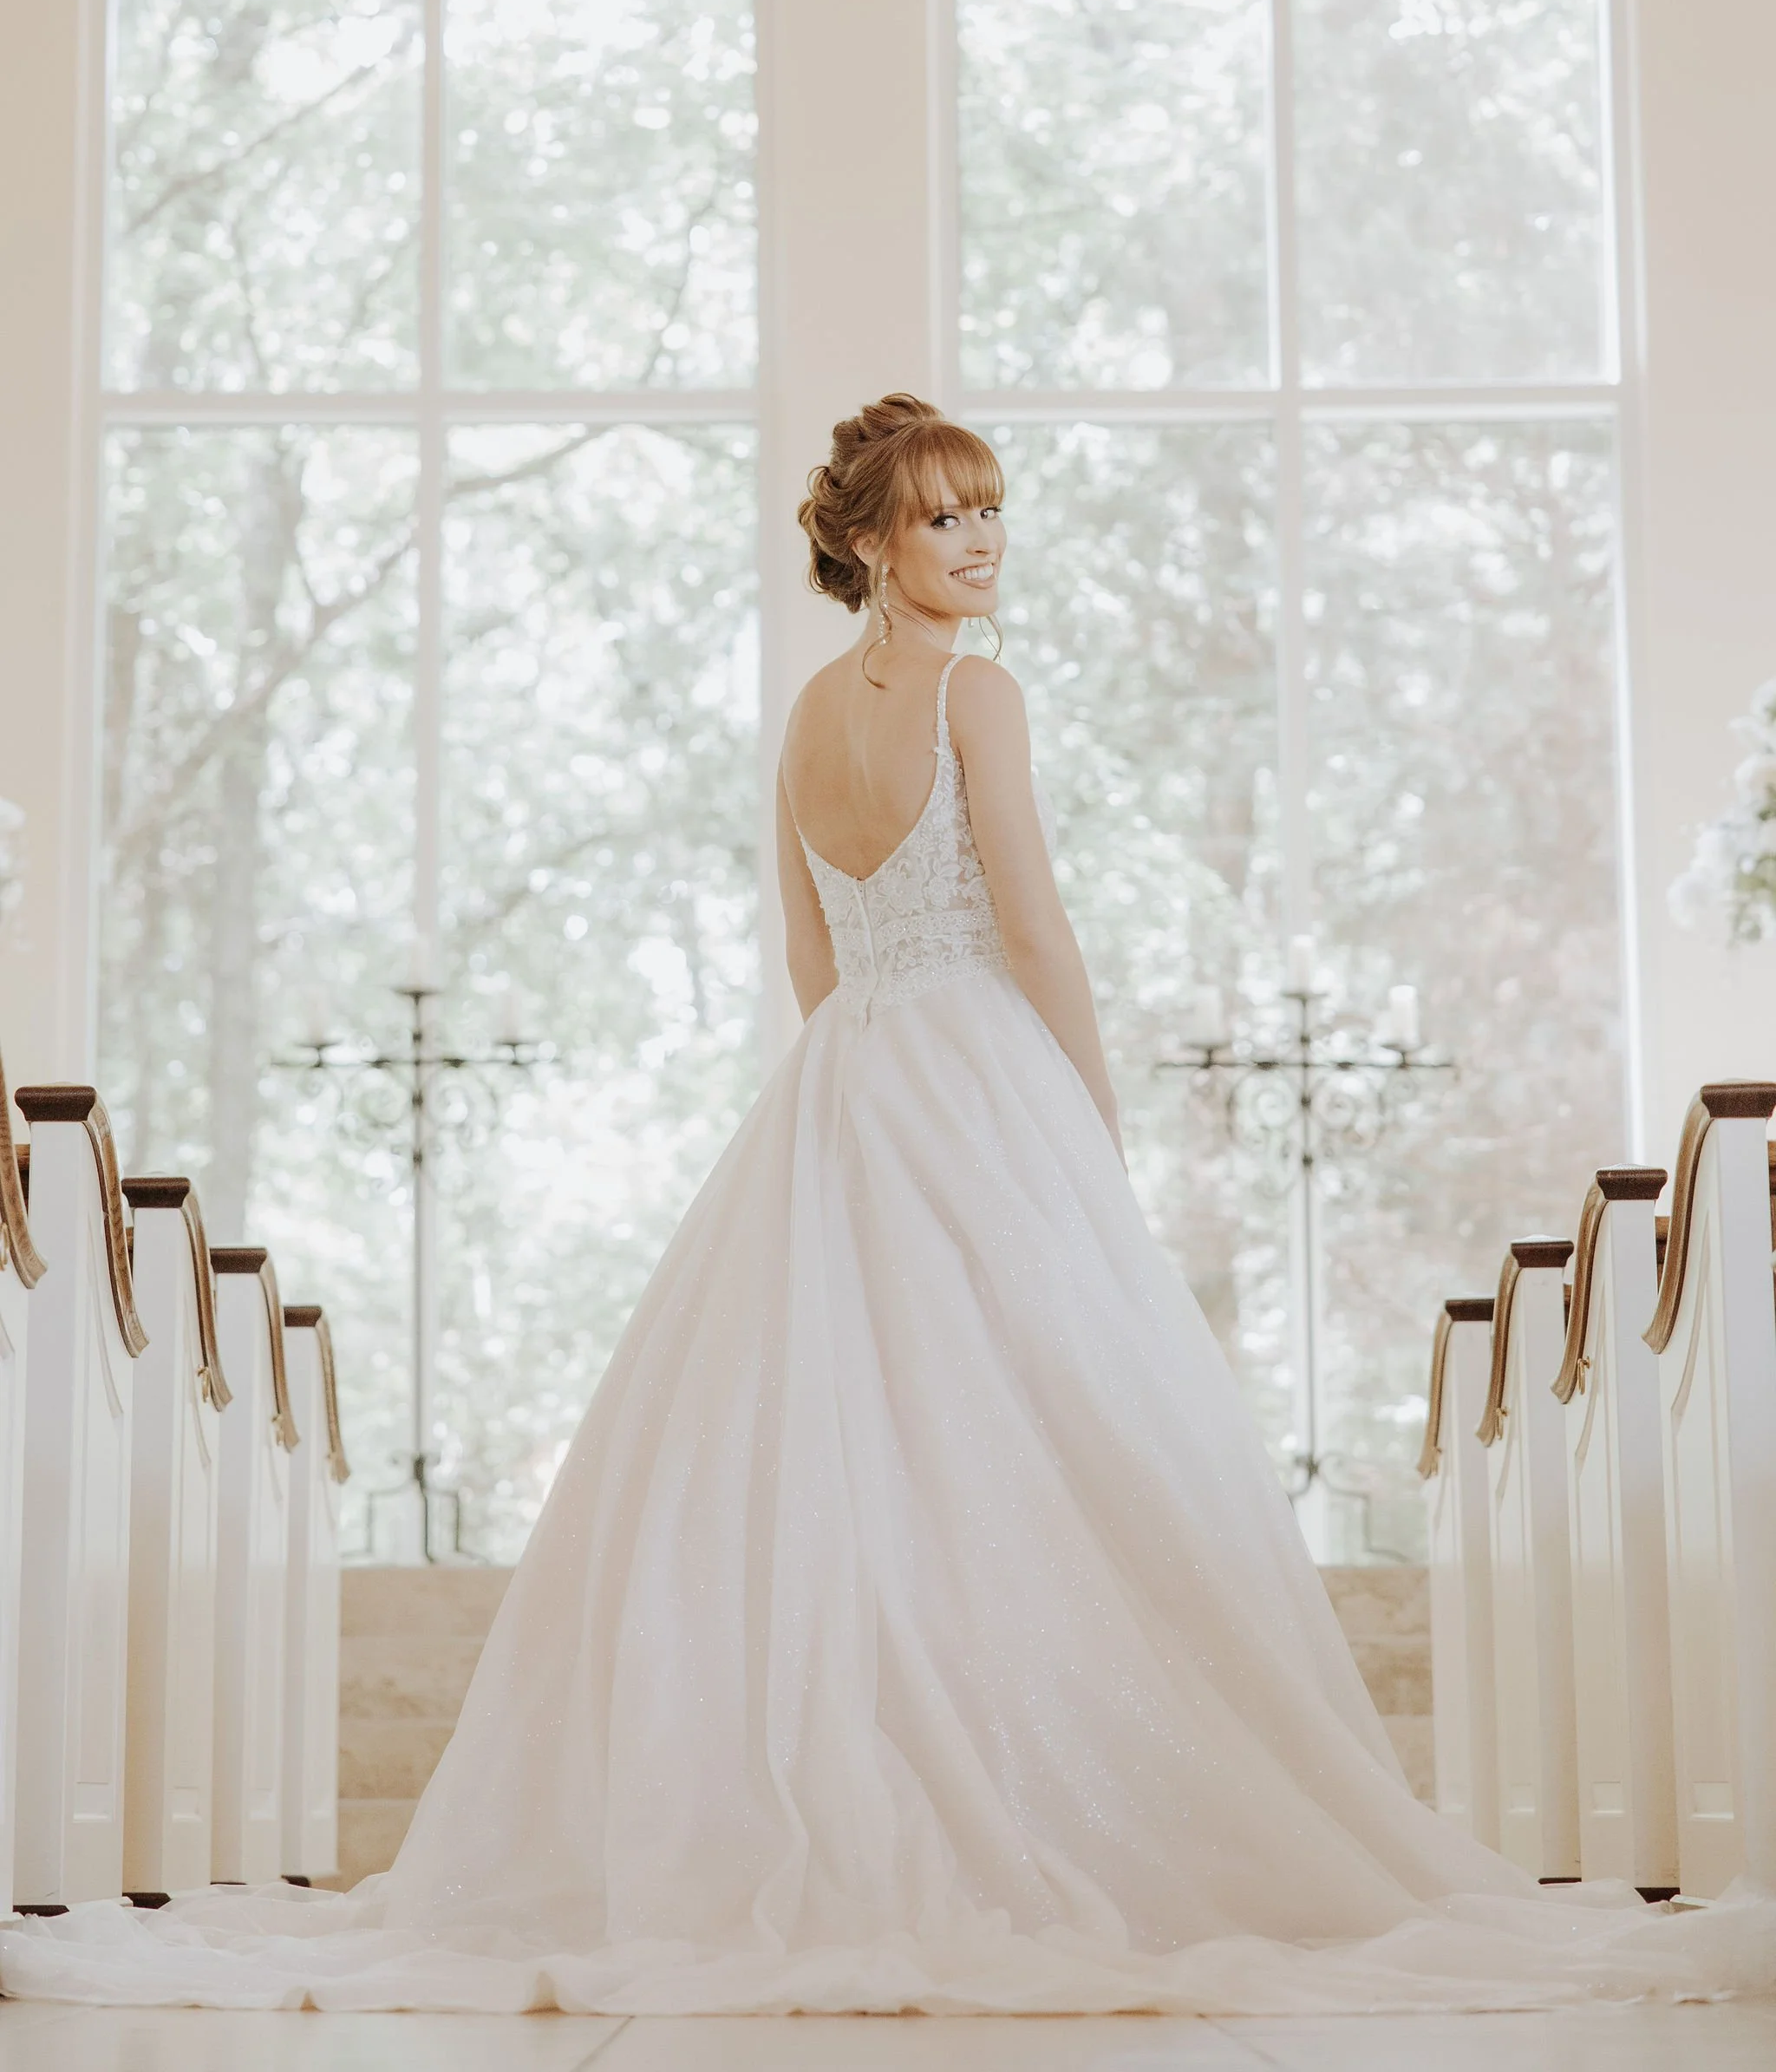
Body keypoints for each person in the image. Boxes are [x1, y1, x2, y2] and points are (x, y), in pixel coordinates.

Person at [3, 395, 1770, 2014]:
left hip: (843, 1087)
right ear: (869, 544)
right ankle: (1024, 1806)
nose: (980, 545)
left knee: (852, 1465)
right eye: (942, 521)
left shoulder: (801, 721)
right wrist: (1088, 1117)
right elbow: (1033, 920)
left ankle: (879, 1793)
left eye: (990, 511)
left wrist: (863, 1072)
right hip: (980, 1075)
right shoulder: (973, 694)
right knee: (1020, 1452)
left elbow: (802, 955)